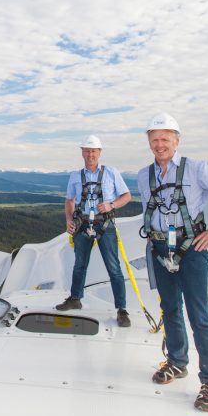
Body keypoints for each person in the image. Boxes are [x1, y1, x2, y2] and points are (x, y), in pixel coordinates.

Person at [138, 112, 208, 412]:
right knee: (170, 308)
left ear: (177, 140)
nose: (160, 145)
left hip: (191, 247)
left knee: (199, 315)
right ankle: (177, 362)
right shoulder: (145, 174)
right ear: (149, 142)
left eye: (165, 139)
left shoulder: (196, 169)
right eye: (154, 139)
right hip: (159, 248)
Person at [56, 135, 132, 327]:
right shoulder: (75, 176)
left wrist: (111, 205)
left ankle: (121, 310)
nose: (90, 154)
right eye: (87, 151)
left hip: (105, 224)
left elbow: (127, 196)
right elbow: (69, 200)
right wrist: (68, 220)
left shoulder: (111, 173)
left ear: (100, 153)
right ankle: (75, 298)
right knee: (79, 264)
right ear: (82, 152)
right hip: (82, 224)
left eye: (93, 151)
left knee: (113, 267)